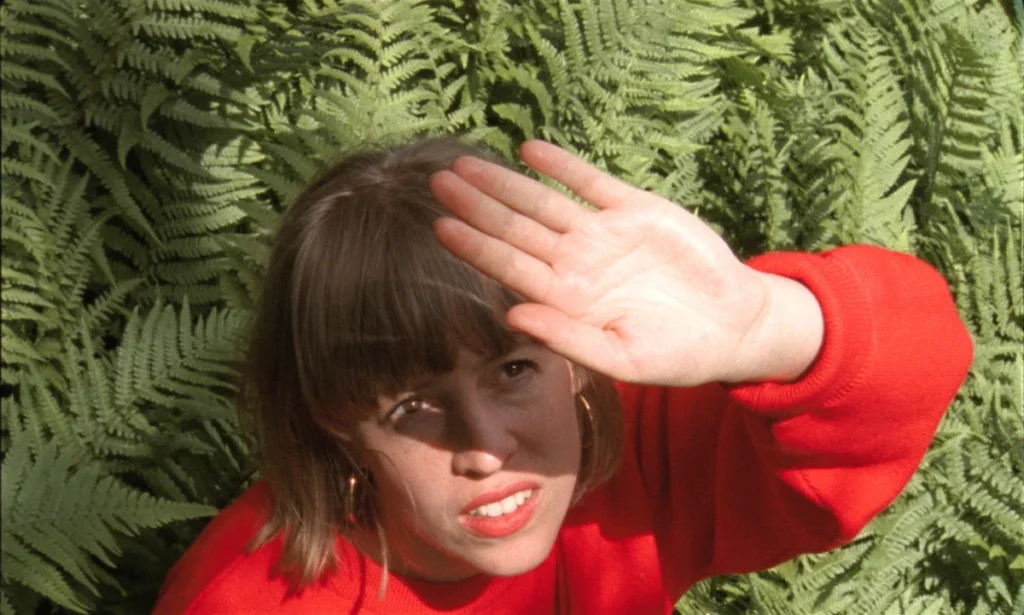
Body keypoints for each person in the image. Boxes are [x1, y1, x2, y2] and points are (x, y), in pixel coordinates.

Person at [152, 137, 972, 614]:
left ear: (574, 357)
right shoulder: (252, 599)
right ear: (334, 417)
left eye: (513, 368)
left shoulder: (624, 455)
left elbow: (913, 366)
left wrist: (760, 326)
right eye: (414, 406)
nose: (490, 445)